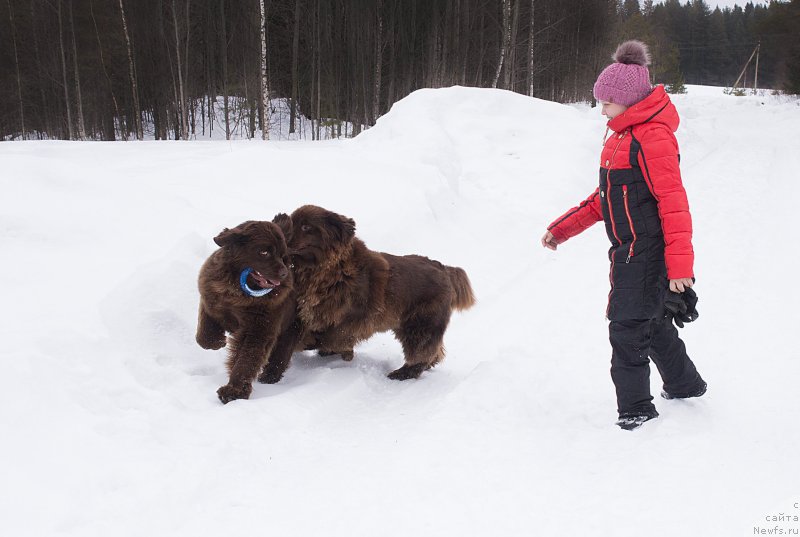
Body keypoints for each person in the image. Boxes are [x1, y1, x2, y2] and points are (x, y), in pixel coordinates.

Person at [541, 40, 706, 431]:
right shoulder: (620, 138)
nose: (602, 110)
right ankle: (684, 383)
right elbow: (605, 199)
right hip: (628, 250)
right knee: (651, 321)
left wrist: (681, 267)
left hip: (646, 253)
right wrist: (561, 229)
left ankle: (635, 408)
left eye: (607, 102)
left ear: (629, 101)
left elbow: (673, 203)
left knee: (626, 327)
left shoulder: (653, 138)